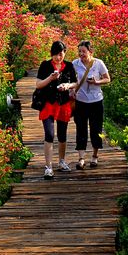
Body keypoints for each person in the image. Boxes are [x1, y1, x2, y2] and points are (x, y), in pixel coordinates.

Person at [36, 41, 78, 179]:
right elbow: (38, 84)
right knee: (49, 134)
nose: (58, 58)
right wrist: (50, 78)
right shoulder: (45, 65)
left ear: (64, 53)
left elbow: (76, 82)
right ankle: (48, 167)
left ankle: (61, 161)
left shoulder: (69, 66)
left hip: (63, 103)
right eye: (55, 55)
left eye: (60, 54)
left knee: (62, 134)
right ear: (51, 54)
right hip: (48, 103)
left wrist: (68, 85)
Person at [72, 40, 110, 170]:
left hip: (96, 101)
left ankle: (94, 156)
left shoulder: (98, 63)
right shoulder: (75, 64)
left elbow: (107, 79)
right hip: (80, 101)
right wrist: (71, 89)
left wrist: (97, 82)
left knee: (96, 129)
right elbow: (71, 80)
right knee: (81, 129)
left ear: (90, 52)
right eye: (80, 51)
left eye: (84, 51)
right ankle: (81, 158)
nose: (81, 54)